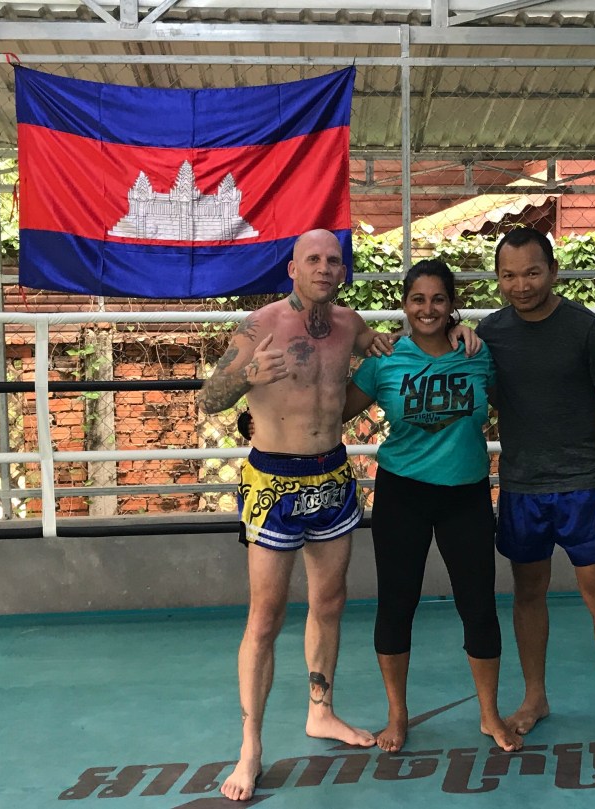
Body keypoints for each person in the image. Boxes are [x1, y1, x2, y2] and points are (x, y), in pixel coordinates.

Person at [198, 229, 476, 801]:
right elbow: (207, 398)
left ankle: (320, 711)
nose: (324, 267)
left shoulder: (352, 326)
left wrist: (459, 330)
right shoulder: (260, 325)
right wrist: (248, 376)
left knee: (329, 603)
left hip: (331, 475)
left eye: (333, 260)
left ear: (342, 271)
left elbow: (410, 343)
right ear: (293, 268)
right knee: (265, 617)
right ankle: (250, 747)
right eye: (313, 259)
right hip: (273, 479)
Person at [477, 226, 595, 769]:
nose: (521, 285)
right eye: (509, 275)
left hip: (585, 488)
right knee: (528, 594)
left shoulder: (586, 328)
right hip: (522, 489)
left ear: (552, 271)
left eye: (532, 272)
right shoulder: (489, 334)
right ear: (497, 279)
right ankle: (535, 698)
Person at [342, 258, 523, 755]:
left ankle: (489, 714)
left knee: (478, 606)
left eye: (438, 299)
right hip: (403, 494)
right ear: (405, 304)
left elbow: (520, 401)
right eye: (418, 299)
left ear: (451, 304)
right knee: (397, 604)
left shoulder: (477, 354)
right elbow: (333, 410)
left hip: (465, 494)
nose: (428, 309)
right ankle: (397, 715)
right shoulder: (385, 359)